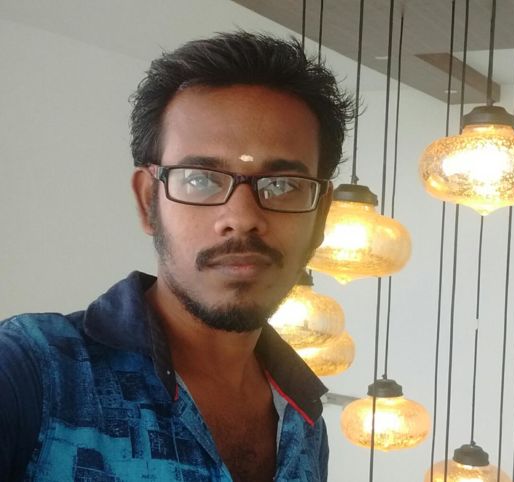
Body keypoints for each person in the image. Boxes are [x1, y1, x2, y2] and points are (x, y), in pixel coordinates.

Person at [0, 31, 354, 482]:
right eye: (200, 179)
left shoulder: (305, 419)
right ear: (148, 201)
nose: (242, 218)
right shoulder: (32, 372)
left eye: (283, 185)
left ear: (320, 218)